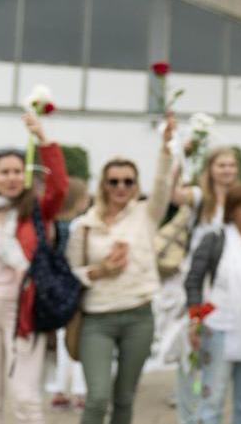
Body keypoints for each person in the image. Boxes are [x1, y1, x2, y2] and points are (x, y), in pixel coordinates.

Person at [67, 115, 176, 424]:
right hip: (97, 318)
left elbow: (163, 184)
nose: (121, 187)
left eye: (128, 181)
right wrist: (100, 270)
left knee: (125, 398)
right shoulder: (85, 225)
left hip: (138, 315)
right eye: (113, 181)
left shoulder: (146, 215)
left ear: (136, 185)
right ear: (103, 184)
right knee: (97, 397)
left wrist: (166, 147)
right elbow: (72, 272)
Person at [0, 113, 67, 424]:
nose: (12, 177)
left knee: (25, 396)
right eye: (4, 172)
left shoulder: (36, 211)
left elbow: (59, 188)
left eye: (17, 171)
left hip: (22, 309)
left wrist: (43, 139)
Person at [185, 184, 241, 424]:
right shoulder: (215, 239)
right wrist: (195, 319)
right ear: (232, 210)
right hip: (219, 327)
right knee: (212, 400)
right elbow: (193, 280)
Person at [172, 146, 241, 421]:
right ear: (210, 169)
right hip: (198, 280)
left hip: (225, 283)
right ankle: (188, 412)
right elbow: (174, 194)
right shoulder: (201, 197)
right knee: (192, 347)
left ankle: (209, 405)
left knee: (217, 348)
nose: (227, 170)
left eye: (231, 165)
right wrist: (180, 154)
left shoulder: (238, 199)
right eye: (221, 165)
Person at [46, 177, 91, 412]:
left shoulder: (54, 225)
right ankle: (81, 392)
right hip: (78, 291)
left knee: (65, 343)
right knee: (81, 342)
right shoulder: (80, 224)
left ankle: (60, 390)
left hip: (59, 293)